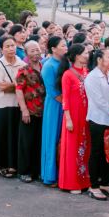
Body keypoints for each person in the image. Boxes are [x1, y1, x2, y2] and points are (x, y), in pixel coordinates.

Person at [0, 37, 26, 178]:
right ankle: (2, 165)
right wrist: (17, 85)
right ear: (2, 49)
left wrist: (13, 86)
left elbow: (25, 85)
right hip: (2, 105)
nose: (11, 48)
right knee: (2, 136)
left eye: (13, 45)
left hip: (17, 105)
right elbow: (1, 86)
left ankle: (14, 165)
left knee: (15, 136)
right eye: (7, 46)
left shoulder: (22, 64)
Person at [84, 47, 109, 200]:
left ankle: (104, 182)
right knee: (96, 152)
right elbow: (99, 101)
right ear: (99, 59)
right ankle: (94, 185)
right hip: (98, 119)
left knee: (107, 152)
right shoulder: (92, 77)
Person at [59, 43, 91, 195]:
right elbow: (65, 98)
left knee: (85, 147)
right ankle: (71, 183)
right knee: (73, 148)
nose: (87, 55)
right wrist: (68, 119)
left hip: (86, 115)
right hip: (73, 115)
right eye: (85, 53)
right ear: (77, 56)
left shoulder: (87, 72)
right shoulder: (68, 74)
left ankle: (84, 181)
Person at [15, 40, 45, 183]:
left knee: (39, 142)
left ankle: (36, 171)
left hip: (44, 111)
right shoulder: (23, 70)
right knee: (26, 142)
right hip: (30, 111)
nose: (36, 53)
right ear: (26, 53)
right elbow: (19, 90)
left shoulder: (44, 67)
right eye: (32, 51)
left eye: (37, 50)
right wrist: (24, 110)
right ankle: (24, 171)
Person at [39, 36, 63, 186]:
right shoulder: (48, 66)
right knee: (52, 138)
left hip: (64, 104)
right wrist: (66, 103)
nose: (65, 48)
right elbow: (52, 91)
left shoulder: (65, 63)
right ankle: (50, 174)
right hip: (54, 105)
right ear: (53, 49)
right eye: (62, 46)